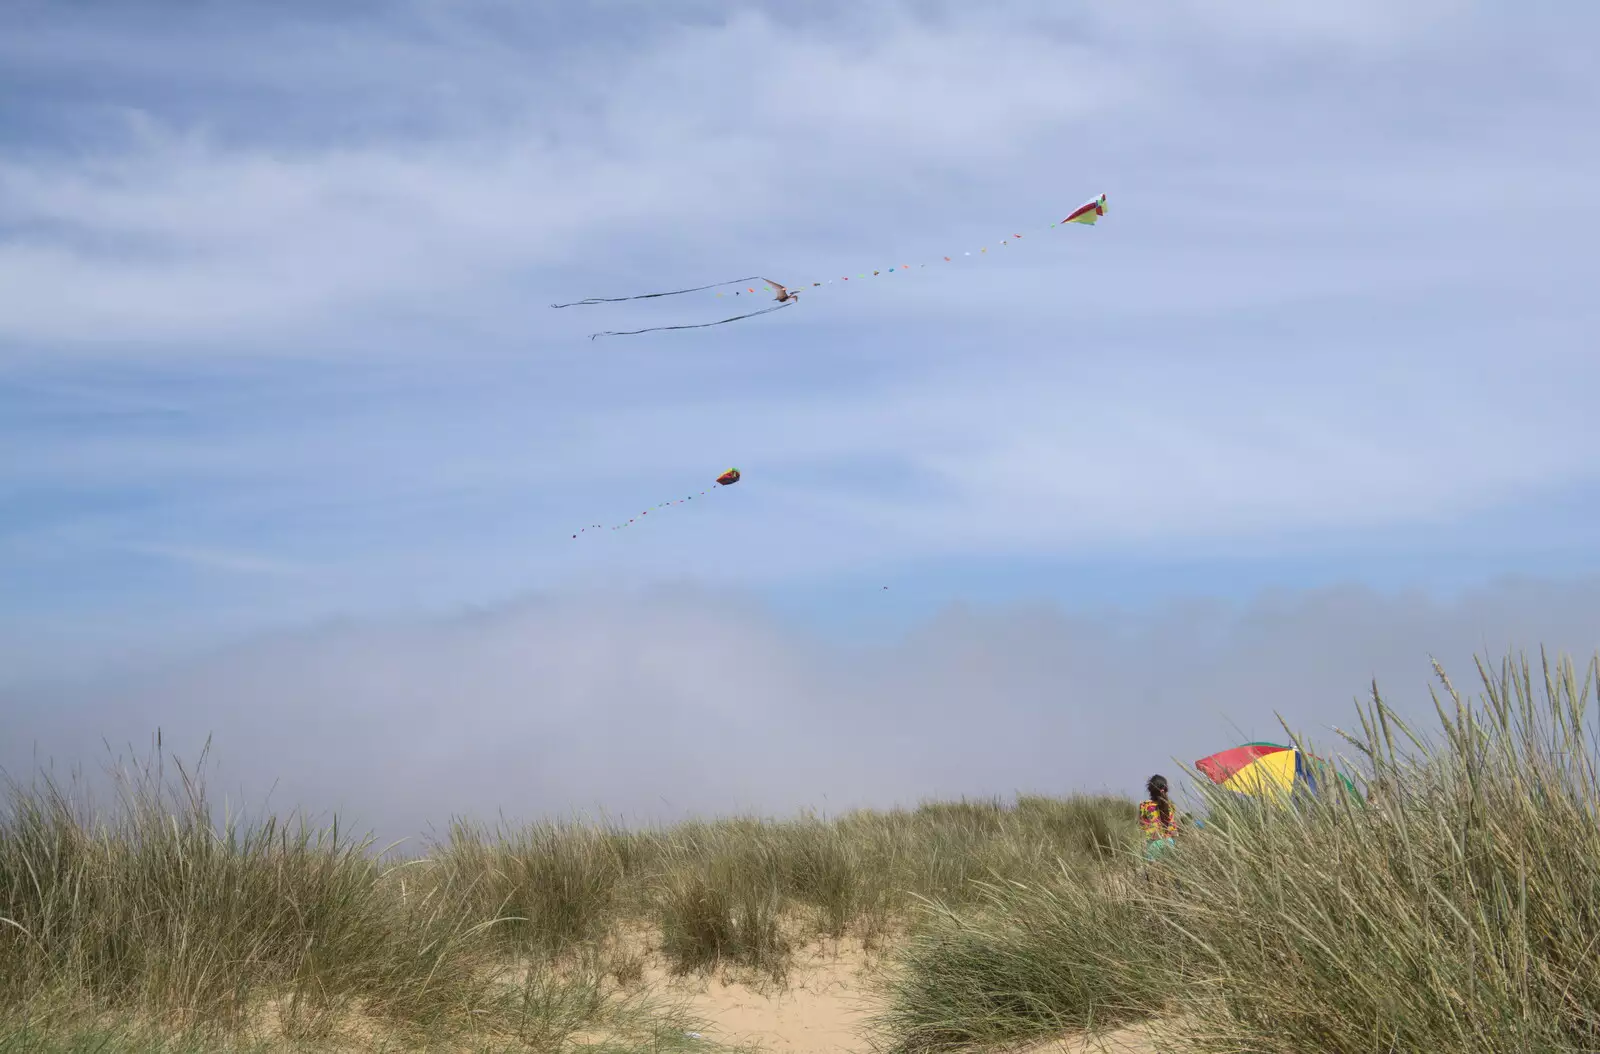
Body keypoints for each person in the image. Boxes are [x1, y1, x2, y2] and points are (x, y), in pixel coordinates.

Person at [1139, 774, 1179, 862]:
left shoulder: (1145, 805)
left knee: (1154, 873)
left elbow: (1142, 825)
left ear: (1150, 790)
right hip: (1169, 842)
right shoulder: (1170, 806)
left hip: (1153, 843)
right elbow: (1173, 828)